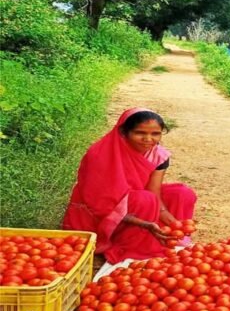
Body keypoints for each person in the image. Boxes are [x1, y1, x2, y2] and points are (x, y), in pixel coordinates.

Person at [62, 108, 197, 264]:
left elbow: (154, 191)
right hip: (102, 217)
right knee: (145, 199)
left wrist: (175, 224)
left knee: (182, 193)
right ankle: (130, 246)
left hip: (139, 205)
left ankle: (168, 237)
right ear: (123, 132)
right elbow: (98, 205)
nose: (148, 139)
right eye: (140, 133)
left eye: (155, 134)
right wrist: (145, 224)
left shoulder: (159, 155)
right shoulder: (100, 155)